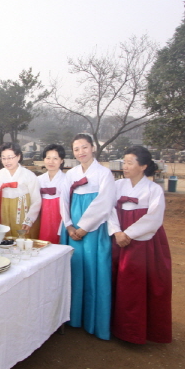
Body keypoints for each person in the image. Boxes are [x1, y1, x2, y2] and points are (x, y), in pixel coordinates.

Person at [108, 146, 172, 344]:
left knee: (138, 286)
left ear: (143, 166)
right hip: (118, 239)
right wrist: (117, 232)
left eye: (129, 162)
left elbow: (153, 219)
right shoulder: (117, 186)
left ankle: (136, 331)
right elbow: (108, 208)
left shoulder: (154, 189)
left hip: (144, 243)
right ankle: (115, 327)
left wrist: (128, 234)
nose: (124, 166)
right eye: (124, 162)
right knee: (117, 282)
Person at [60, 133, 115, 340]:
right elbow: (63, 200)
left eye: (84, 147)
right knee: (74, 270)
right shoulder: (71, 173)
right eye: (76, 149)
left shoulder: (104, 174)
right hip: (72, 228)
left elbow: (105, 203)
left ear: (93, 148)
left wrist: (83, 227)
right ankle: (72, 317)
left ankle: (94, 322)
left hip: (93, 229)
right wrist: (68, 225)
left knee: (94, 272)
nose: (80, 152)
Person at [0, 142, 41, 239]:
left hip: (23, 213)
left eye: (10, 157)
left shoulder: (29, 175)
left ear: (18, 157)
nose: (7, 161)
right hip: (3, 211)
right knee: (5, 238)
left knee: (23, 238)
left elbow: (36, 200)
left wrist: (29, 220)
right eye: (3, 158)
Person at [38, 144, 66, 244]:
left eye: (55, 158)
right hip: (42, 217)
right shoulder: (38, 180)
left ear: (61, 160)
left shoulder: (66, 179)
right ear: (44, 159)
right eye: (48, 158)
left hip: (60, 216)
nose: (51, 162)